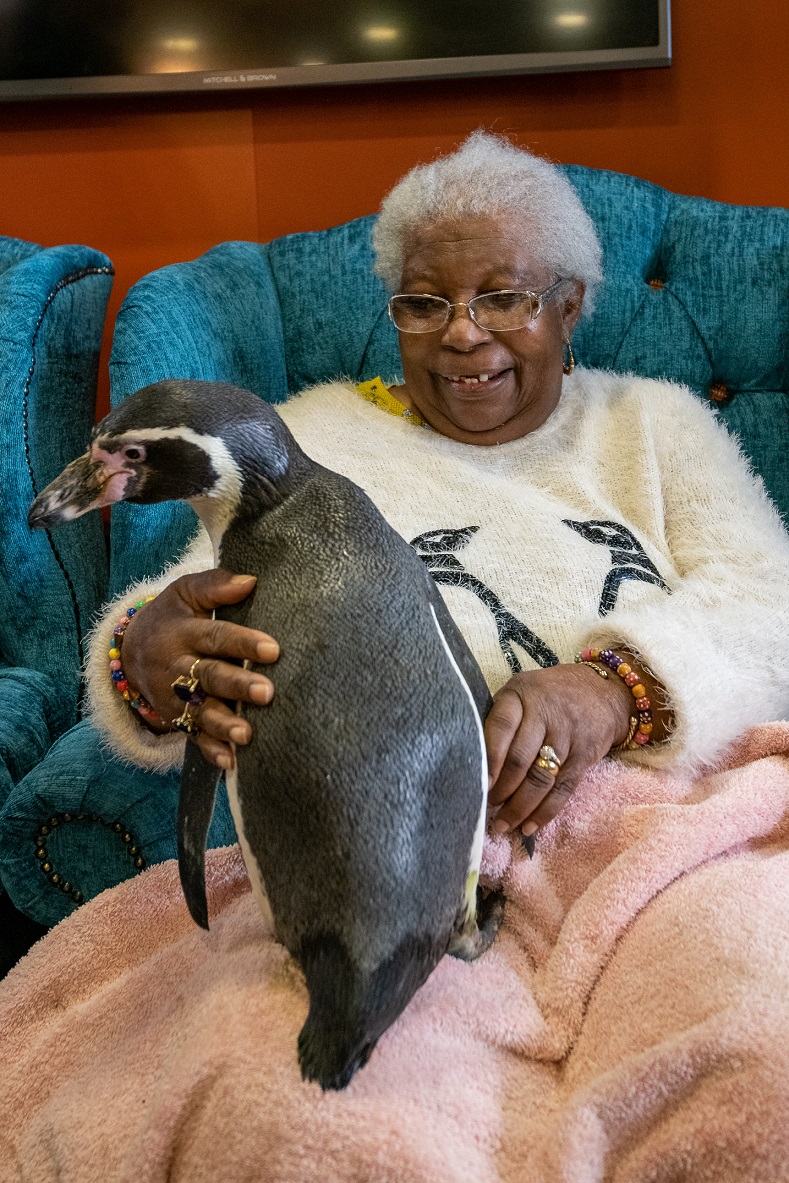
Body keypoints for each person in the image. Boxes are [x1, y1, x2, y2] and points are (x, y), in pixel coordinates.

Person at [86, 131, 789, 839]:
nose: (461, 333)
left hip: (670, 824)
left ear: (568, 307)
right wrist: (145, 657)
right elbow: (196, 601)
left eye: (503, 298)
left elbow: (768, 601)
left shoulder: (655, 422)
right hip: (400, 844)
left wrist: (611, 691)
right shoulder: (309, 440)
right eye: (423, 304)